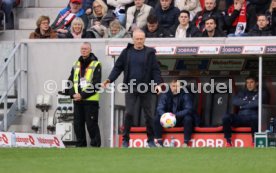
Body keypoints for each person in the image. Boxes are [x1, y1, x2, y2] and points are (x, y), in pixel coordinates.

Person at [102, 29, 162, 148]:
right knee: (129, 113)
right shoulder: (126, 52)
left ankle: (150, 140)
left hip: (146, 87)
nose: (139, 41)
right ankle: (126, 140)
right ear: (133, 39)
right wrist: (109, 79)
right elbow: (117, 68)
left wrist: (157, 84)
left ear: (144, 39)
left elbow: (156, 70)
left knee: (149, 115)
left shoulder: (150, 53)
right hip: (131, 87)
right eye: (137, 39)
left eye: (141, 39)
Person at [67, 42, 102, 147]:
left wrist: (82, 95)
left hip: (90, 101)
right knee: (78, 125)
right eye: (82, 49)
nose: (84, 50)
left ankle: (95, 146)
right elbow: (70, 81)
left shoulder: (96, 64)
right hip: (77, 100)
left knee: (91, 125)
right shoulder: (76, 64)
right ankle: (80, 147)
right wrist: (73, 94)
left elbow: (96, 84)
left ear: (90, 50)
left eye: (86, 49)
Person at [222, 75, 267, 147]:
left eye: (251, 82)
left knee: (256, 118)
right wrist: (250, 102)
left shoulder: (262, 92)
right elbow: (235, 101)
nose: (249, 85)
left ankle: (254, 142)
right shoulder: (242, 92)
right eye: (247, 83)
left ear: (257, 83)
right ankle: (228, 141)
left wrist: (243, 104)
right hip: (240, 117)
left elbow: (257, 103)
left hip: (253, 117)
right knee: (226, 117)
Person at [154, 79, 195, 147]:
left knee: (188, 118)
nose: (174, 88)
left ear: (181, 87)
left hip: (179, 119)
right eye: (173, 86)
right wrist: (166, 115)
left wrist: (175, 115)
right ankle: (159, 142)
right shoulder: (165, 94)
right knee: (157, 118)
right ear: (170, 86)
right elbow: (159, 108)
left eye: (177, 86)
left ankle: (186, 143)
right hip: (167, 119)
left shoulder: (185, 94)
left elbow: (189, 109)